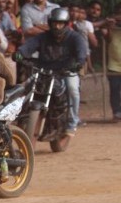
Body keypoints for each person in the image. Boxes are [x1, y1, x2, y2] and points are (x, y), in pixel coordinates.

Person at [15, 8, 88, 137]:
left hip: (66, 71)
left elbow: (81, 53)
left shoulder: (75, 37)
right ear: (50, 23)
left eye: (60, 23)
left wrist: (78, 63)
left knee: (72, 89)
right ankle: (18, 117)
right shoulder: (42, 37)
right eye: (54, 23)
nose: (57, 26)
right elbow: (28, 46)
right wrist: (20, 53)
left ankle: (72, 122)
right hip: (44, 71)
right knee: (23, 88)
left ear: (66, 24)